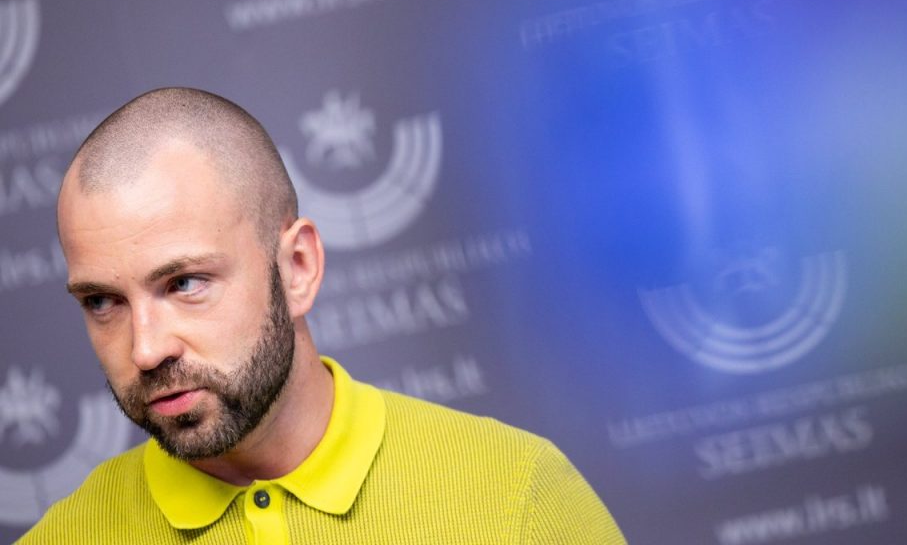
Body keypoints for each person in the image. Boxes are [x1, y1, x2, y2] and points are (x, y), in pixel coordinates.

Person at [18, 87, 626, 544]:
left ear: (298, 267)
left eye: (185, 283)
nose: (146, 349)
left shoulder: (514, 494)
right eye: (102, 302)